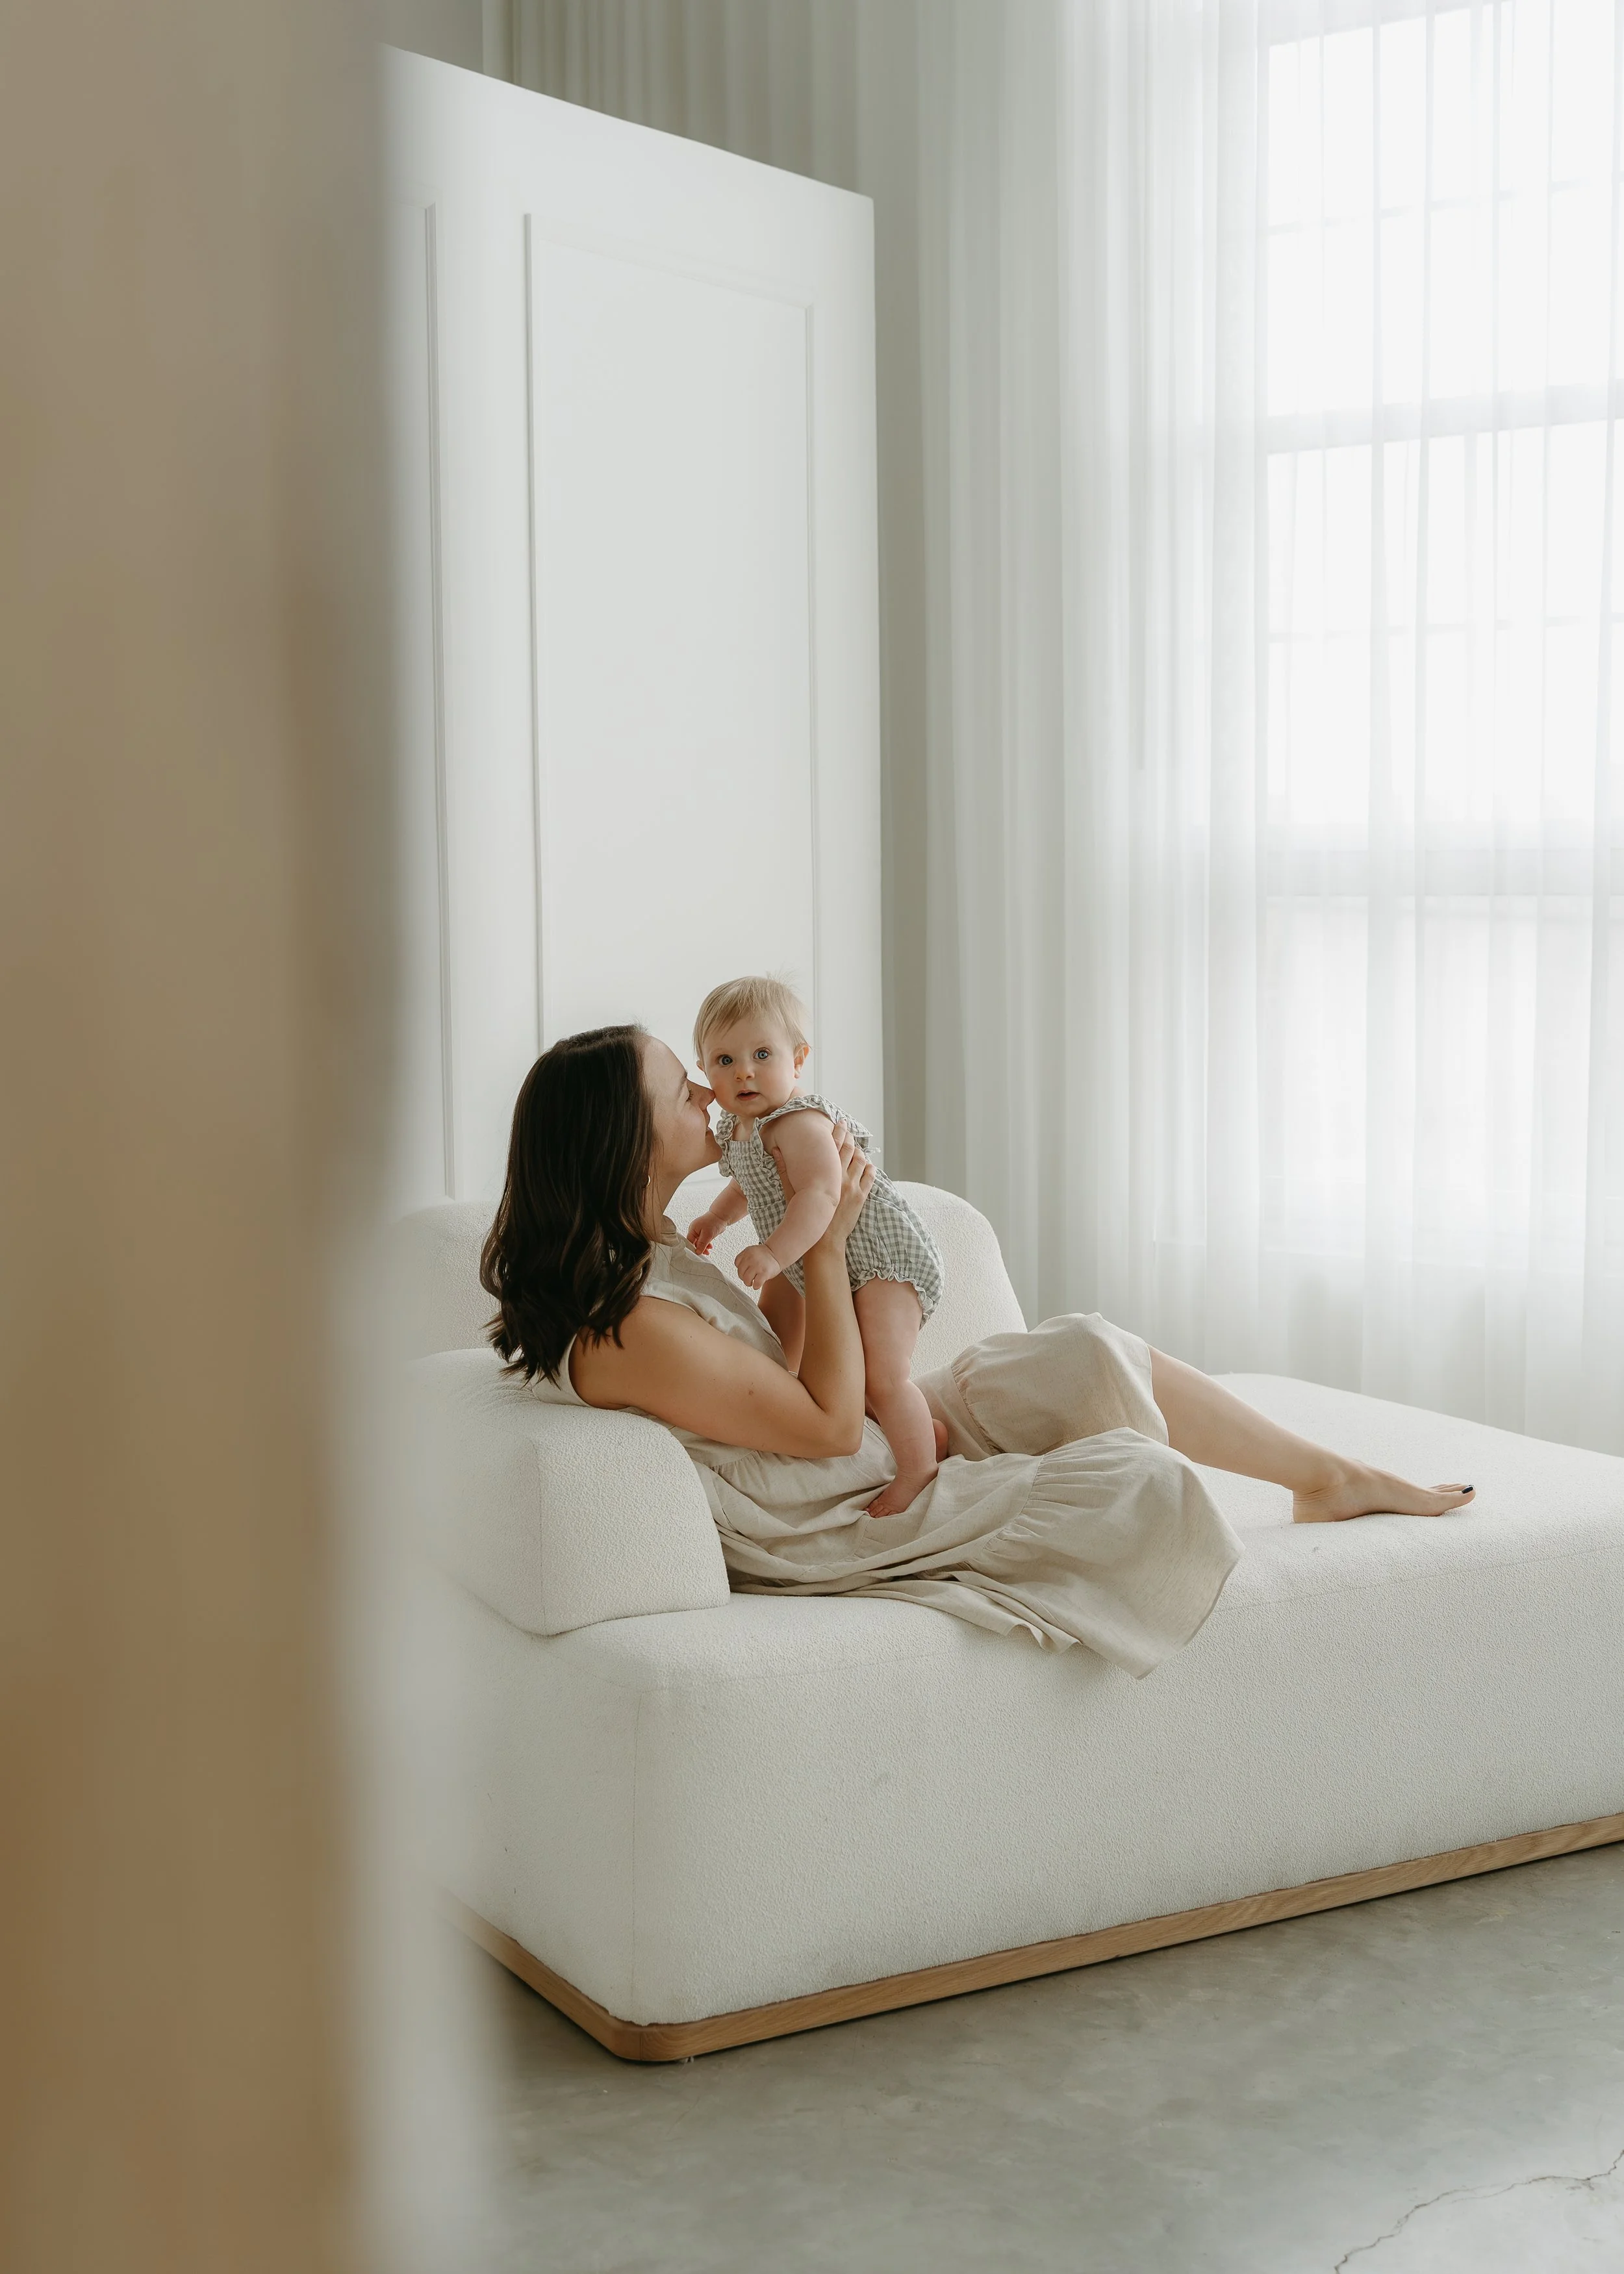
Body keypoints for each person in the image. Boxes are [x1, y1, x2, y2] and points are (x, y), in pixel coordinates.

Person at [479, 1025, 1475, 1674]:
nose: (708, 1087)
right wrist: (825, 1250)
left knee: (1085, 1350)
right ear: (622, 1135)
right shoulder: (628, 1328)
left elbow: (780, 1371)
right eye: (677, 1082)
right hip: (829, 1512)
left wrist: (821, 1239)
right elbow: (824, 1432)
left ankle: (1330, 1477)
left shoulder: (660, 1249)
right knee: (1135, 1483)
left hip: (849, 1434)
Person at [685, 974, 945, 1517]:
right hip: (832, 1264)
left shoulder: (799, 1121)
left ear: (798, 1059)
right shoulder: (742, 1126)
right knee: (837, 1377)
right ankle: (930, 1434)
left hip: (881, 1260)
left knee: (881, 1375)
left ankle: (919, 1469)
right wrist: (716, 1216)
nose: (744, 1071)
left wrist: (774, 1254)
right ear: (706, 1070)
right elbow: (748, 1184)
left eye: (761, 1053)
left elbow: (824, 1195)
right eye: (724, 1060)